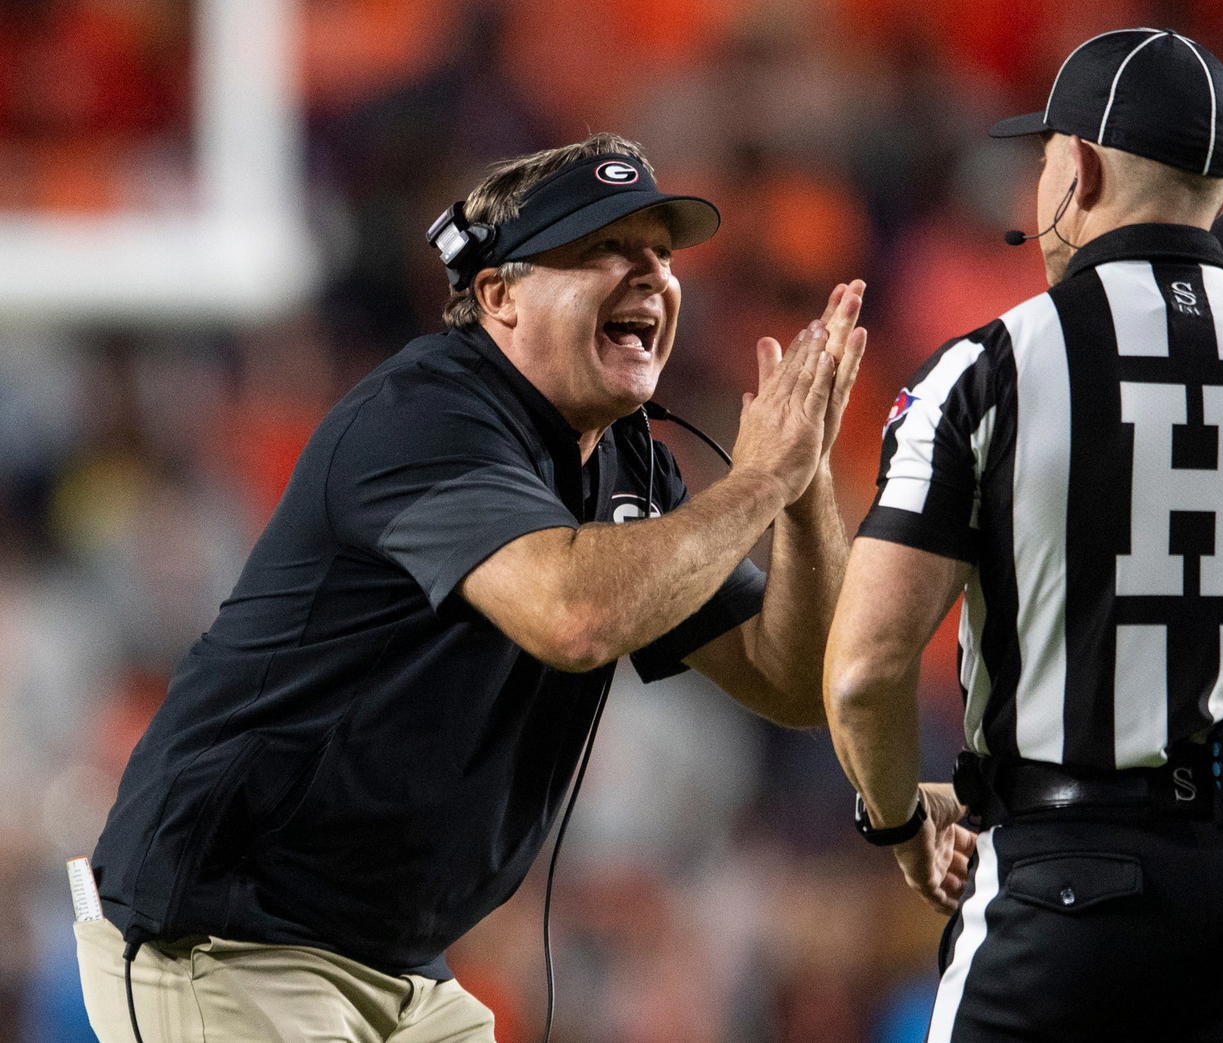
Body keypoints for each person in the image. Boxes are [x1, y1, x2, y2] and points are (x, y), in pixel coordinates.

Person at [76, 132, 867, 1042]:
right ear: (498, 294)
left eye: (660, 254)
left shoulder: (631, 466)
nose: (651, 274)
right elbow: (573, 615)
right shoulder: (426, 414)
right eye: (605, 248)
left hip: (400, 966)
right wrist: (758, 481)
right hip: (226, 939)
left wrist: (805, 483)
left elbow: (794, 680)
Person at [824, 29, 1223, 1042]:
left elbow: (863, 668)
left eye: (1044, 157)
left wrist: (896, 820)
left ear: (1081, 168)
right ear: (1221, 194)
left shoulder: (990, 370)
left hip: (1062, 887)